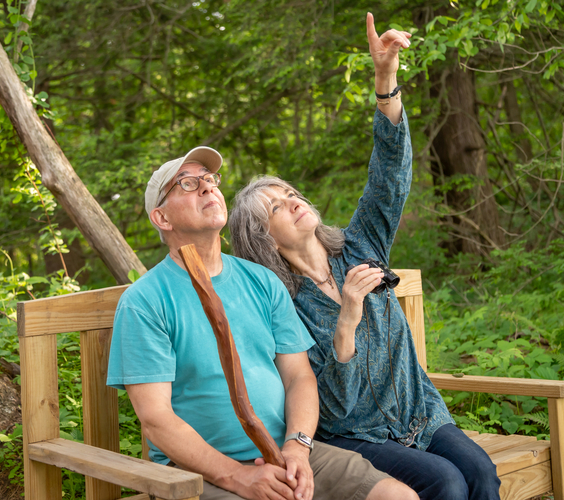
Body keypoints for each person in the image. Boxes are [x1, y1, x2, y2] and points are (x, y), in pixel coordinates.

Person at [228, 13, 502, 500]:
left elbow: (390, 177)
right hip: (353, 435)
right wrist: (348, 315)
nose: (293, 199)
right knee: (446, 483)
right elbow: (333, 404)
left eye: (290, 191)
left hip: (419, 412)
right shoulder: (281, 302)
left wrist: (384, 79)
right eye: (275, 205)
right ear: (264, 239)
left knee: (478, 472)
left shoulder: (360, 245)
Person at [106, 144, 418, 498]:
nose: (208, 187)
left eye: (209, 179)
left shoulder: (262, 281)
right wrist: (236, 475)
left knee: (398, 496)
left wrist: (298, 446)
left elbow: (299, 376)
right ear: (162, 218)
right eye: (187, 184)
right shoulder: (145, 301)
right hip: (197, 474)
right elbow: (156, 420)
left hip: (286, 454)